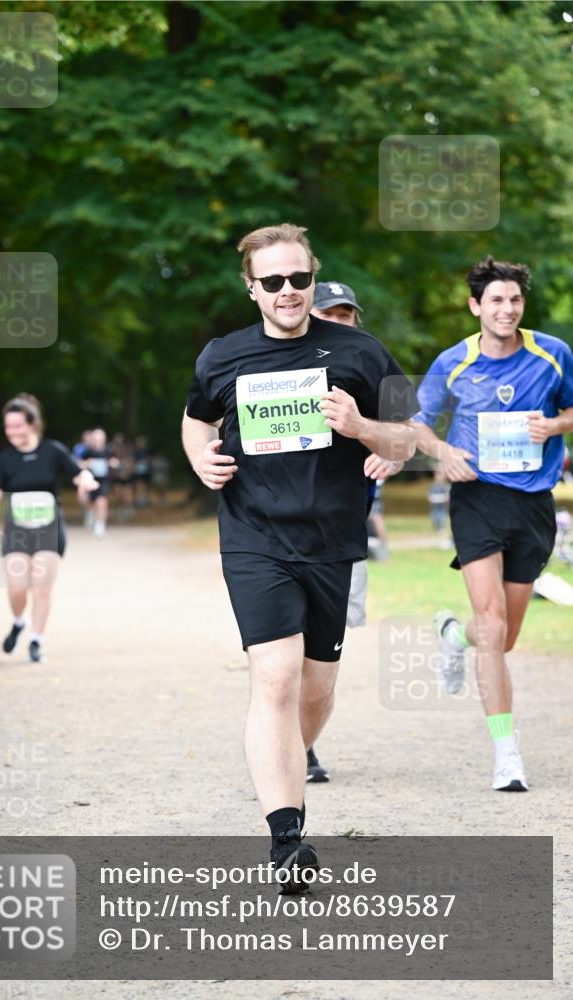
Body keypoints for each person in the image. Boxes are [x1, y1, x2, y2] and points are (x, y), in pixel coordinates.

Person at [182, 223, 417, 890]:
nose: (288, 291)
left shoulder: (361, 351)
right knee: (277, 678)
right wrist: (200, 458)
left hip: (331, 542)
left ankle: (288, 751)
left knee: (315, 690)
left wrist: (363, 427)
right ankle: (287, 841)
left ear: (312, 278)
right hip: (254, 536)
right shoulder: (222, 355)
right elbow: (197, 419)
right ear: (251, 287)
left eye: (299, 278)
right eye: (273, 281)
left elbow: (408, 438)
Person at [414, 256, 573, 791]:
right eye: (497, 300)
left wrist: (554, 426)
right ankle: (507, 755)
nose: (507, 309)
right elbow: (418, 425)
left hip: (533, 504)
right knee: (494, 621)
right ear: (475, 306)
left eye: (515, 300)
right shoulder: (453, 361)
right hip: (476, 499)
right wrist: (444, 453)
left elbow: (572, 411)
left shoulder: (553, 354)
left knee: (501, 639)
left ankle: (453, 636)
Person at [307, 279, 402, 782]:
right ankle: (287, 750)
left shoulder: (372, 363)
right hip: (272, 537)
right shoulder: (272, 365)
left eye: (346, 316)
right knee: (280, 656)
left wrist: (391, 455)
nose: (338, 323)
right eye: (329, 314)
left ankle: (301, 742)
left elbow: (408, 433)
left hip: (343, 537)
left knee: (320, 664)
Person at [0, 394, 97, 662]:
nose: (12, 431)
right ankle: (18, 621)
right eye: (8, 426)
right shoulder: (5, 459)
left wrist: (86, 479)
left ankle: (36, 641)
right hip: (17, 530)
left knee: (42, 589)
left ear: (32, 424)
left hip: (49, 528)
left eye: (18, 425)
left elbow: (78, 473)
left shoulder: (52, 451)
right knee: (17, 588)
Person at [79, 428, 118, 538]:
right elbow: (79, 463)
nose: (98, 440)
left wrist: (113, 463)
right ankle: (90, 514)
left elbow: (115, 461)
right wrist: (86, 463)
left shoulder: (108, 451)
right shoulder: (88, 451)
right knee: (90, 502)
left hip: (104, 480)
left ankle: (100, 525)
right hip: (91, 481)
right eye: (96, 438)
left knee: (102, 501)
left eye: (100, 438)